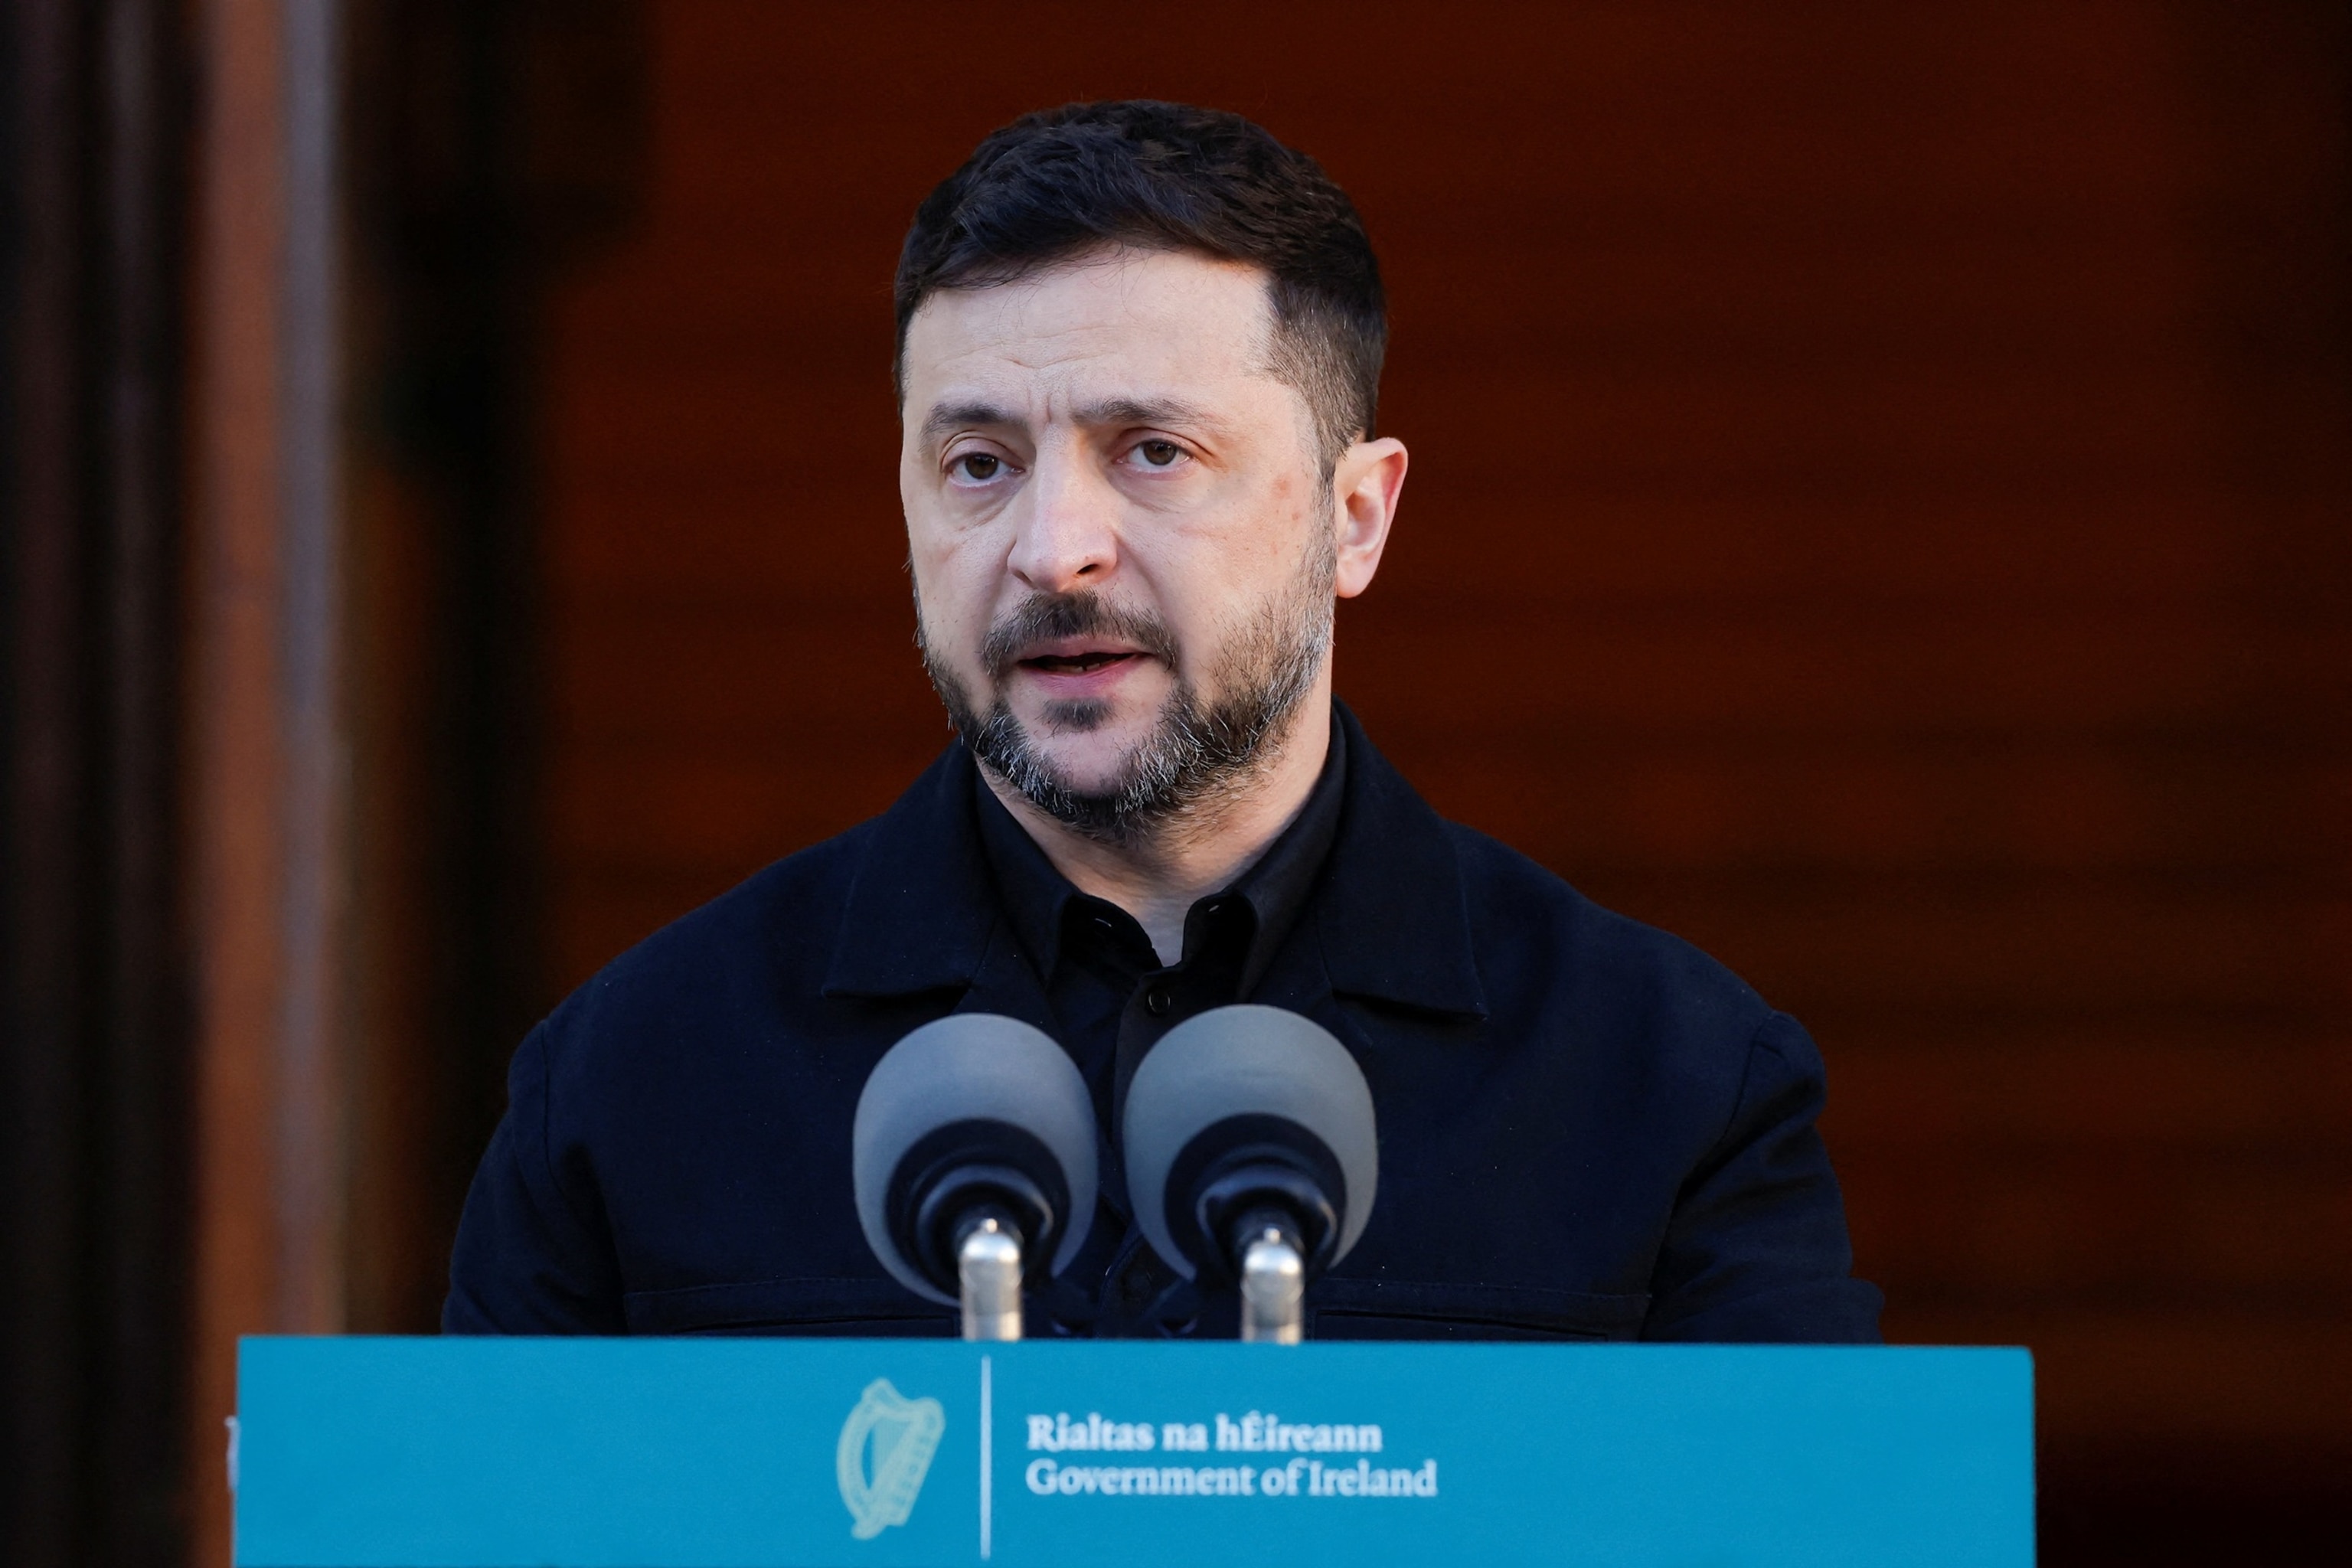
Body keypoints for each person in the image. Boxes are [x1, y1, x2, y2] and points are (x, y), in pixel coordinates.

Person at [445, 100, 1881, 1342]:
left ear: (1355, 515)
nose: (1052, 545)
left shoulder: (1669, 1093)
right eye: (978, 462)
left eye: (1153, 452)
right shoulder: (636, 1092)